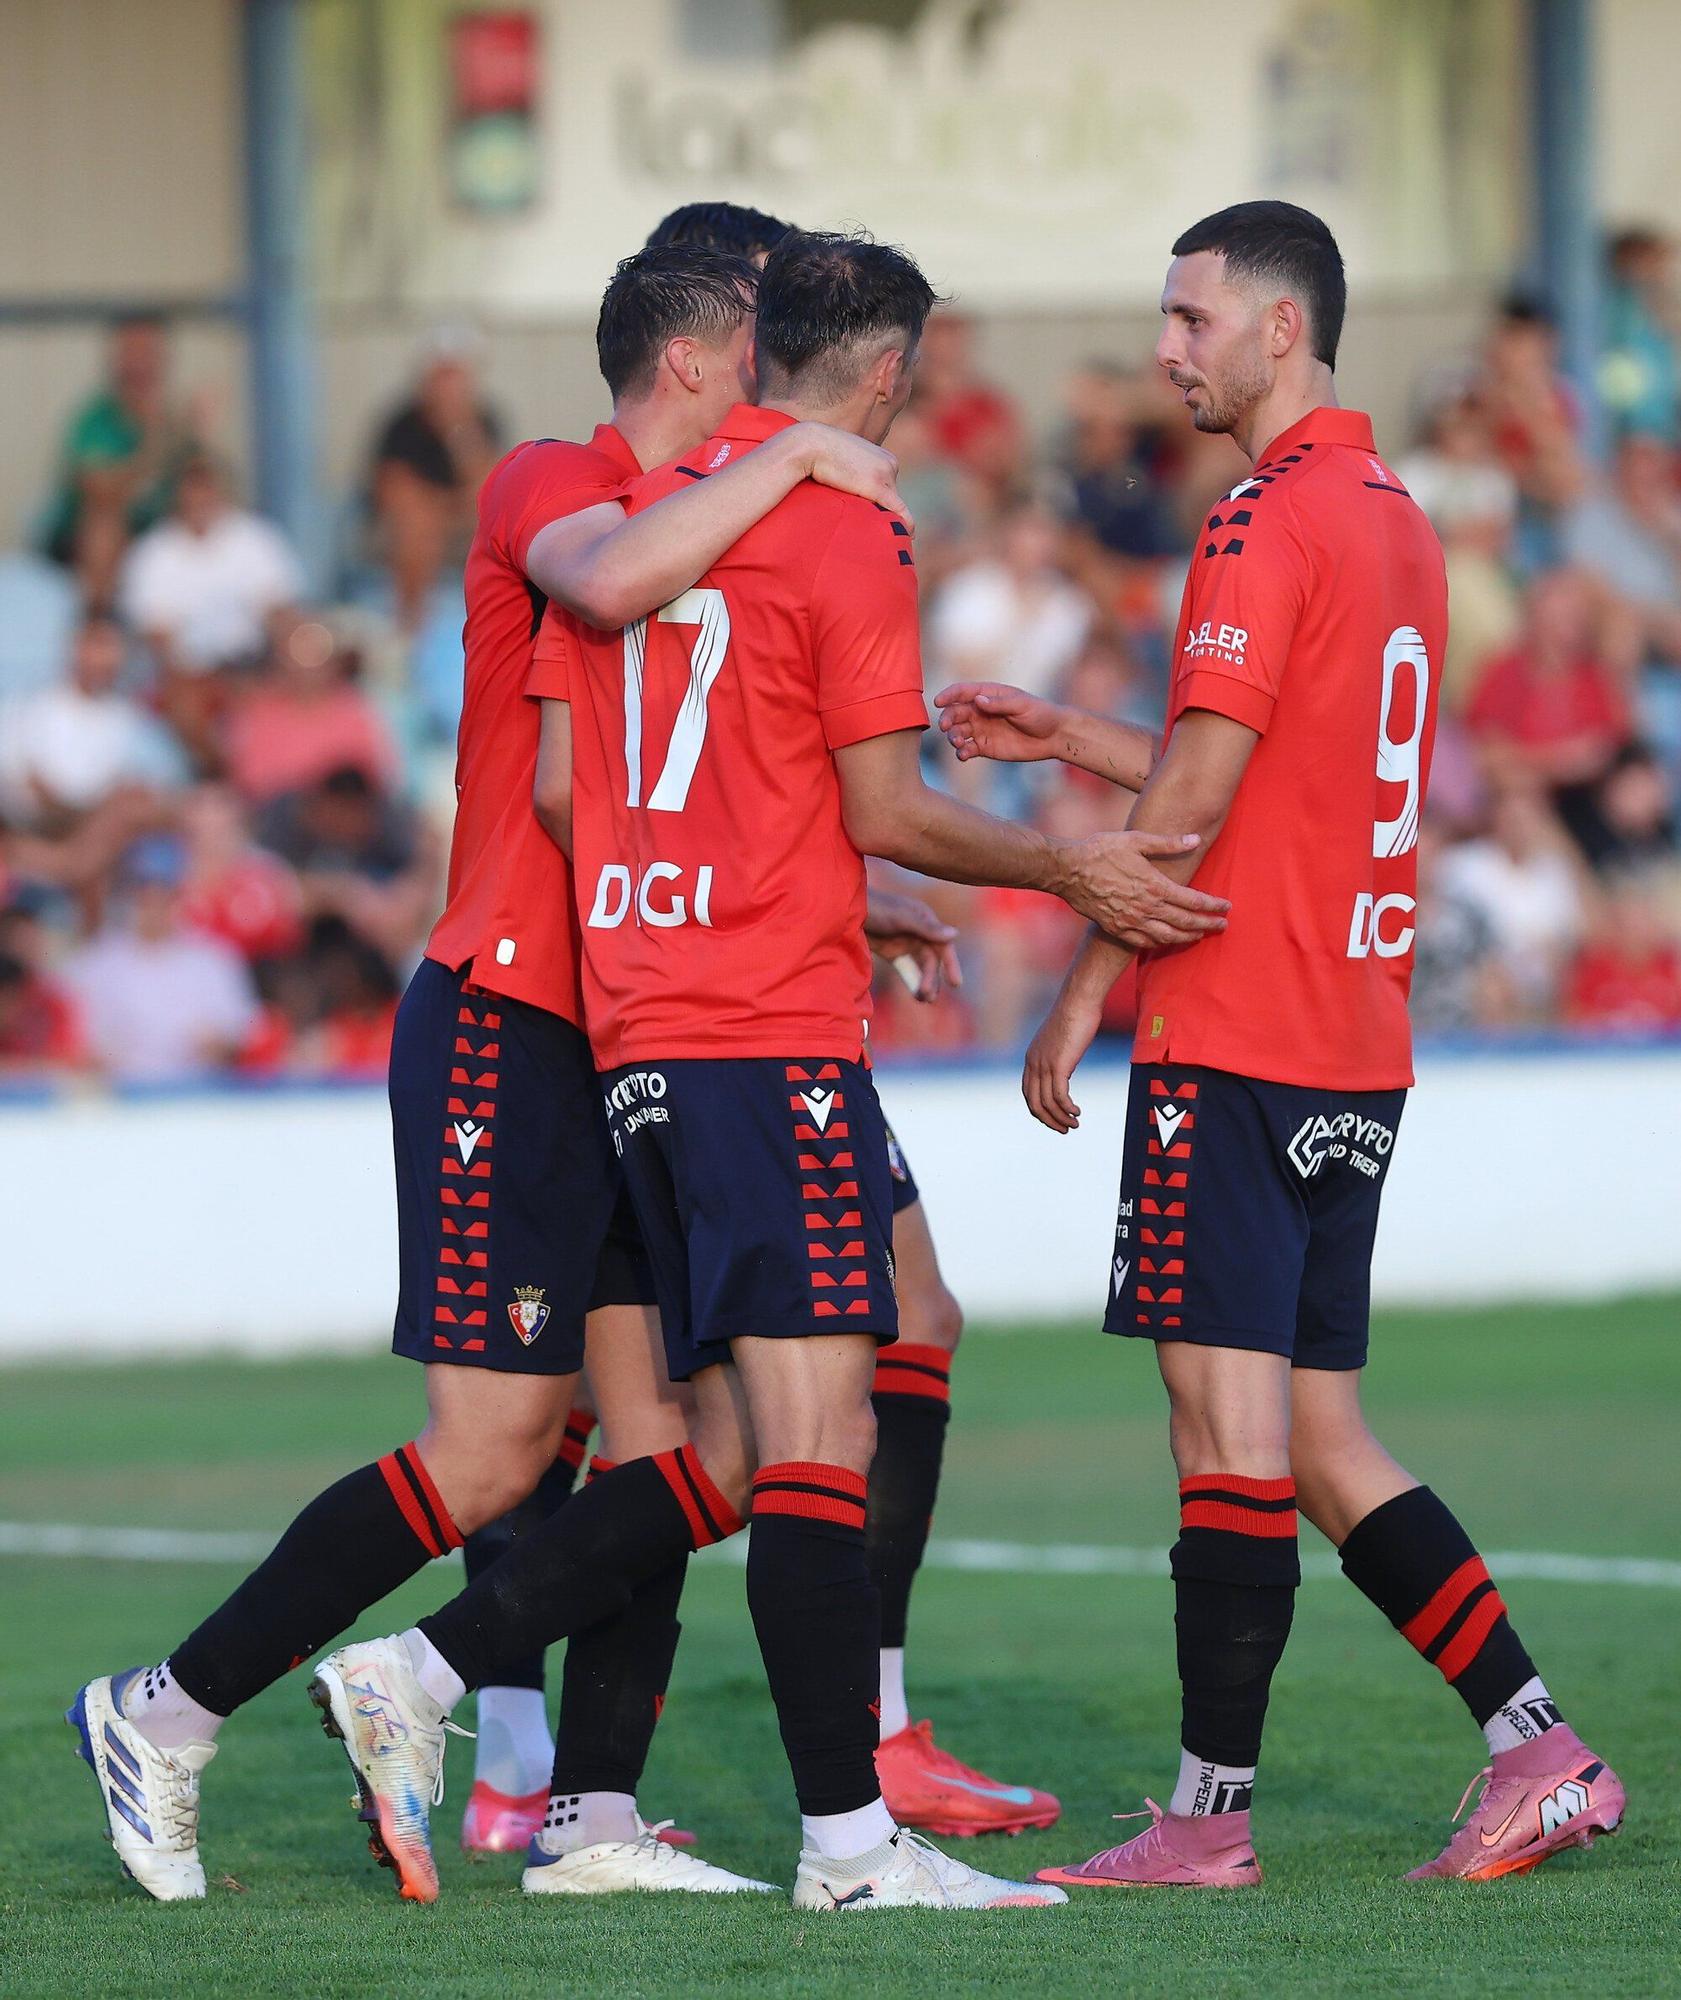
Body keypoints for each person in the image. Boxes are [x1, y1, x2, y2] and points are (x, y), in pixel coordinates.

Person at [310, 228, 1228, 1916]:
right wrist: (1070, 870)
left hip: (642, 1029)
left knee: (729, 1431)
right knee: (814, 1426)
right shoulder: (826, 525)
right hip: (759, 1029)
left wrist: (804, 876)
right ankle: (840, 1846)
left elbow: (589, 792)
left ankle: (462, 1698)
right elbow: (880, 802)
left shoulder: (653, 530)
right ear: (881, 376)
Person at [65, 241, 915, 1906]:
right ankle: (165, 1713)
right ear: (697, 353)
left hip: (644, 1033)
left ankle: (589, 1817)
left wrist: (838, 892)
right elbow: (574, 724)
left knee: (676, 1437)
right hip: (514, 1017)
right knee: (491, 1454)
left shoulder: (727, 522)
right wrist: (807, 452)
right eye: (763, 342)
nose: (785, 373)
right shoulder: (553, 481)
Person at [940, 201, 1624, 1889]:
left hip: (1233, 1029)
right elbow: (1266, 758)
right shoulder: (1390, 517)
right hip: (1352, 1031)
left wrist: (1086, 989)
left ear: (1280, 328)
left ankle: (1206, 1824)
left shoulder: (1257, 517)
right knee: (1317, 1437)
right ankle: (1536, 1743)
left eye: (1188, 318)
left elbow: (1192, 799)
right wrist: (1072, 736)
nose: (1167, 346)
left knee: (1221, 1441)